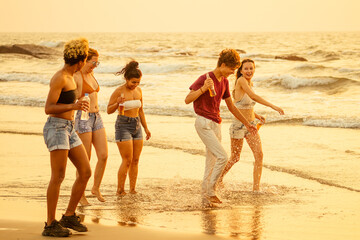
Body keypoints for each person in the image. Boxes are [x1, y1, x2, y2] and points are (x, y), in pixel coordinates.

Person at [185, 49, 257, 205]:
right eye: (231, 69)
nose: (233, 72)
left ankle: (205, 195)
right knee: (223, 157)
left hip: (216, 124)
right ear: (223, 64)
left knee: (211, 161)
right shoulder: (205, 78)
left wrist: (247, 123)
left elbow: (231, 106)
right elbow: (187, 99)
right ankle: (211, 191)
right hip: (203, 122)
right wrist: (203, 88)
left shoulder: (224, 82)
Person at [42, 38, 91, 237]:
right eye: (85, 59)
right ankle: (50, 224)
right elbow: (49, 108)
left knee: (86, 171)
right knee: (58, 176)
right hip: (56, 128)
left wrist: (78, 102)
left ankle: (69, 215)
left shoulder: (73, 76)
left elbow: (69, 100)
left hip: (69, 128)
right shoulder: (60, 77)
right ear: (80, 61)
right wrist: (74, 106)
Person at [218, 59, 284, 191]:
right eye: (246, 68)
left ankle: (256, 189)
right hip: (239, 124)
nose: (249, 71)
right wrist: (273, 106)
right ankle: (218, 179)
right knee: (235, 158)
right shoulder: (241, 80)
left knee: (259, 155)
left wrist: (257, 116)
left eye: (251, 68)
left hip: (251, 125)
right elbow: (253, 97)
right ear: (241, 71)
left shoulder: (249, 82)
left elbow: (245, 106)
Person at [107, 60, 151, 196]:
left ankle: (132, 189)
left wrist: (146, 128)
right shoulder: (119, 91)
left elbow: (141, 110)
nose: (135, 85)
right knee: (127, 160)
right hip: (123, 125)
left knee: (136, 160)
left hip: (136, 125)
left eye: (138, 82)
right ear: (126, 79)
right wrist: (117, 103)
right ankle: (120, 190)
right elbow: (109, 110)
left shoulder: (139, 91)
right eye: (133, 82)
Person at [74, 48, 108, 205]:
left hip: (97, 117)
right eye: (94, 62)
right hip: (83, 117)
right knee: (85, 159)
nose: (95, 65)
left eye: (97, 62)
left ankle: (95, 187)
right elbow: (70, 98)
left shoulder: (91, 74)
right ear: (85, 60)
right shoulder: (77, 75)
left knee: (103, 155)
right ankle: (80, 194)